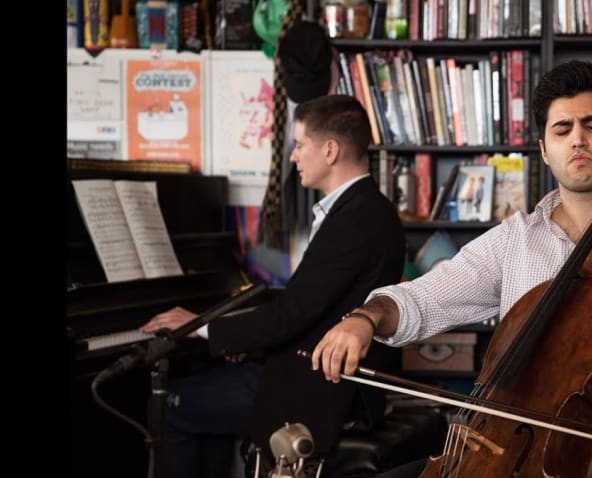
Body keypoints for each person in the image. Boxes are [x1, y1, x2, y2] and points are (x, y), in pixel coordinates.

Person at [311, 60, 592, 478]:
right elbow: (422, 299)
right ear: (545, 151)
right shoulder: (516, 240)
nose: (578, 139)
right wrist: (365, 318)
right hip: (508, 456)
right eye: (562, 129)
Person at [141, 94, 406, 478]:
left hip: (320, 386)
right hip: (317, 370)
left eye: (299, 145)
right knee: (201, 397)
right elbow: (311, 304)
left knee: (172, 404)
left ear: (330, 150)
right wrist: (244, 340)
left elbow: (292, 314)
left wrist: (199, 327)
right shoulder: (366, 208)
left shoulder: (354, 220)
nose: (293, 157)